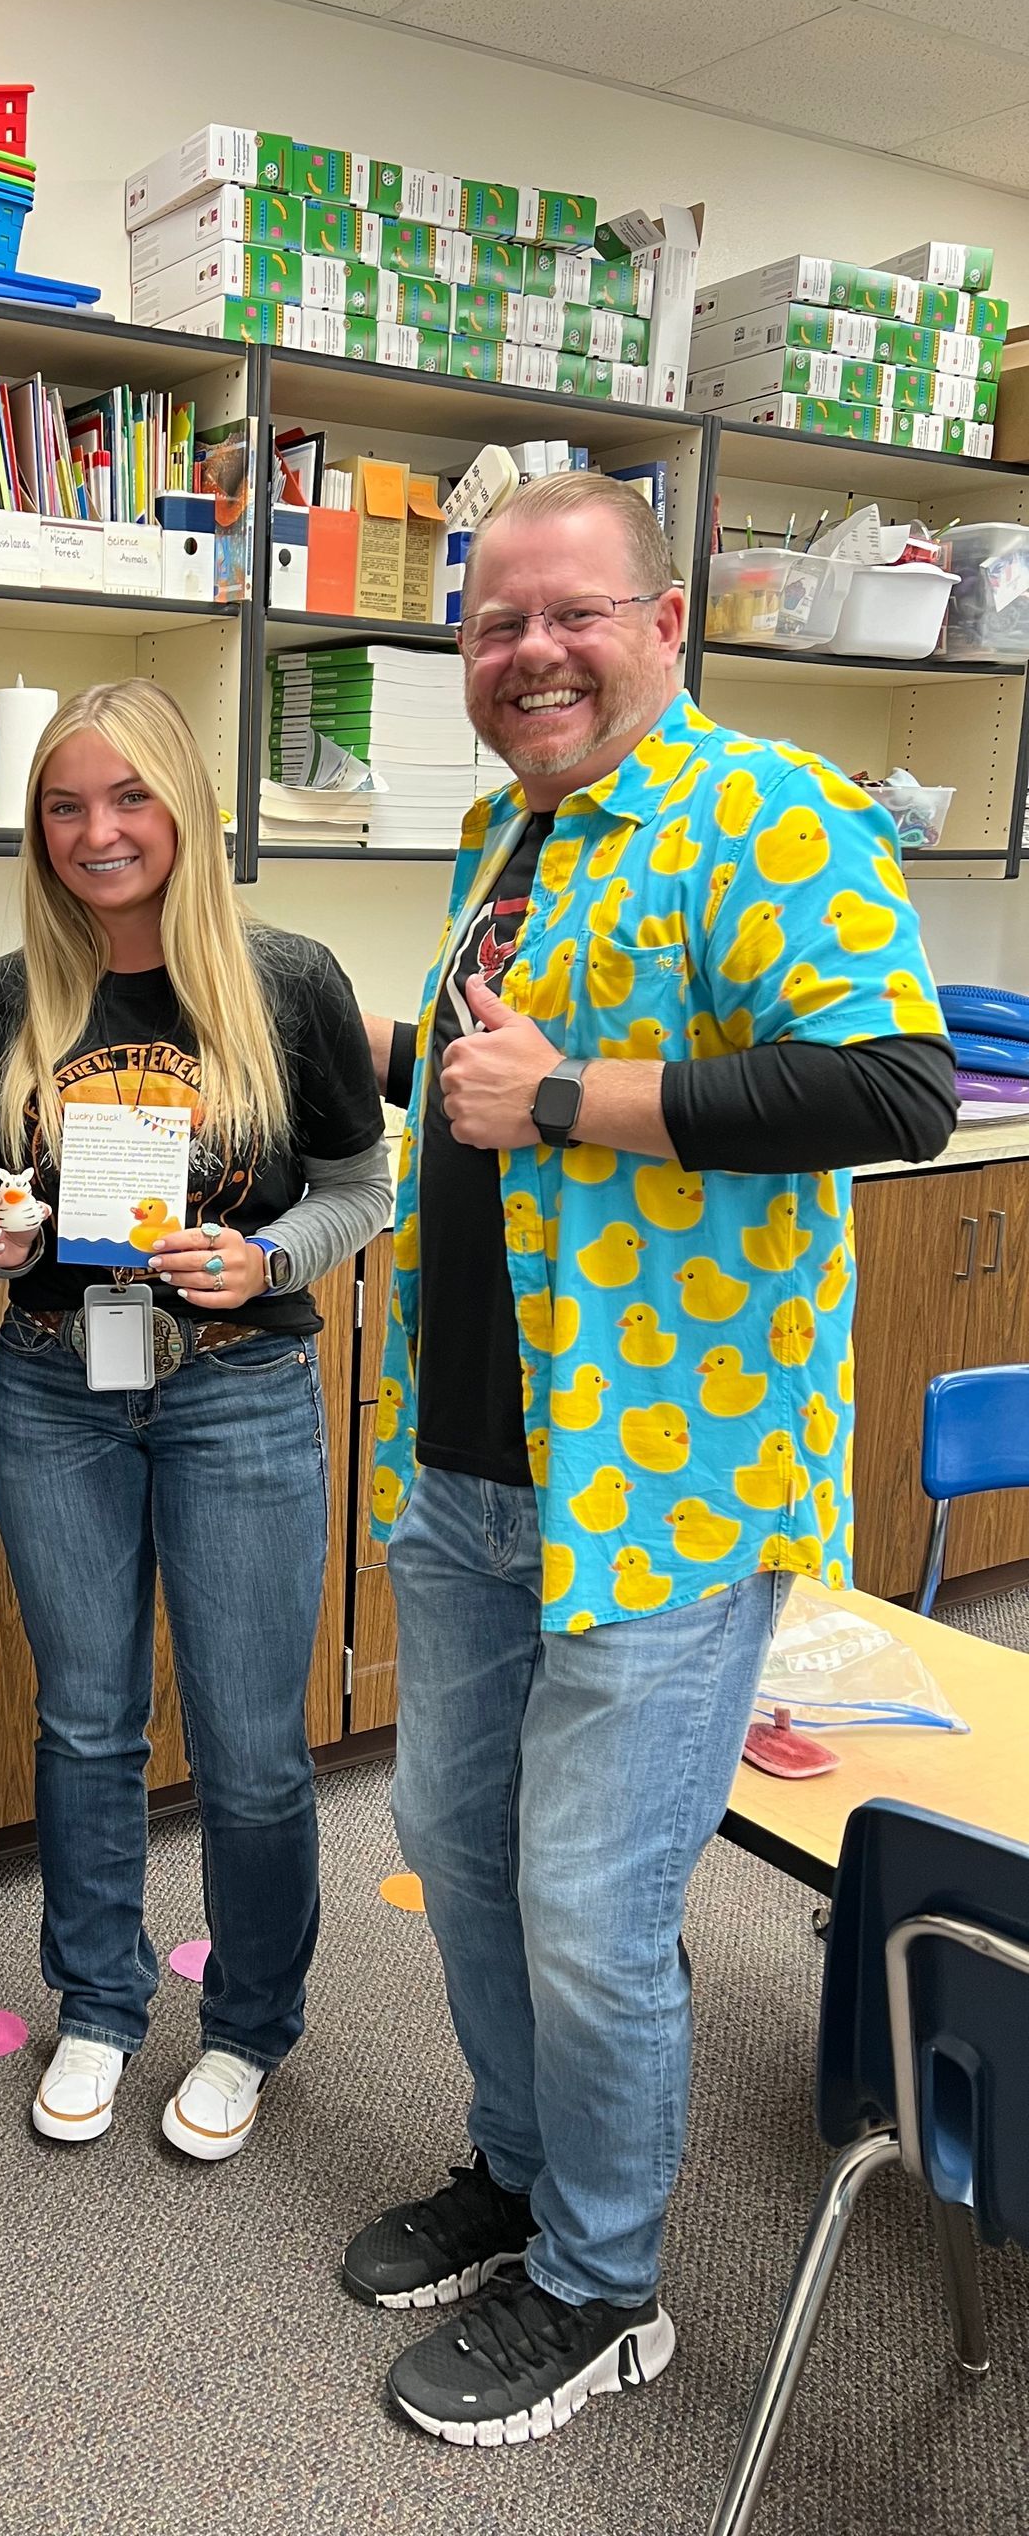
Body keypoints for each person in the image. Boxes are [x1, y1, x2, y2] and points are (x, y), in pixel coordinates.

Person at [343, 470, 957, 2443]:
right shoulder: (495, 834)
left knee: (593, 1907)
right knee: (462, 1854)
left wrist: (574, 1096)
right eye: (496, 621)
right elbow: (475, 1103)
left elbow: (896, 1081)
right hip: (466, 1471)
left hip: (660, 1487)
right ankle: (519, 2173)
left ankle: (606, 2286)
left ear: (664, 618)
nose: (531, 650)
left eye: (572, 612)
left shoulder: (767, 813)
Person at [0, 679, 392, 2163]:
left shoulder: (289, 981)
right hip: (56, 1388)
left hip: (239, 1398)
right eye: (67, 806)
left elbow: (359, 1186)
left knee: (252, 1744)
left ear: (188, 811)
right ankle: (97, 2000)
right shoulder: (13, 998)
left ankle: (252, 2024)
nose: (98, 832)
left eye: (129, 798)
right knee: (84, 1722)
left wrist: (267, 1258)